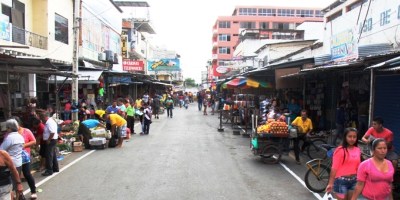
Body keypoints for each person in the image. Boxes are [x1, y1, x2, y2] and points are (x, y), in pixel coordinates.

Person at [326, 128, 361, 200]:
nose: (352, 139)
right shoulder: (340, 150)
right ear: (345, 137)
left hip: (354, 181)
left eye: (354, 137)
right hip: (341, 181)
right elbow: (334, 168)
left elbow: (358, 166)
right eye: (349, 136)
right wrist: (330, 183)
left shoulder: (357, 149)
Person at [0, 119, 25, 198]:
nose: (6, 129)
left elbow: (2, 150)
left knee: (11, 187)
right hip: (18, 162)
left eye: (7, 128)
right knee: (16, 184)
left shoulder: (9, 138)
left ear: (10, 128)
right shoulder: (20, 136)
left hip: (9, 164)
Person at [14, 116, 37, 199]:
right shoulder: (10, 134)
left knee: (27, 174)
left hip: (25, 157)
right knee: (16, 177)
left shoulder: (26, 131)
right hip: (14, 158)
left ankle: (33, 191)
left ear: (19, 123)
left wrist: (23, 145)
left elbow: (34, 141)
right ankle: (20, 195)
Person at [38, 110, 59, 176]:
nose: (41, 121)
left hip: (51, 140)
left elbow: (52, 132)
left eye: (41, 119)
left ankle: (49, 170)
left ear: (44, 117)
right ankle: (55, 168)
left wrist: (48, 140)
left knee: (49, 155)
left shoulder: (49, 122)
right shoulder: (49, 122)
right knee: (53, 154)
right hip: (52, 139)